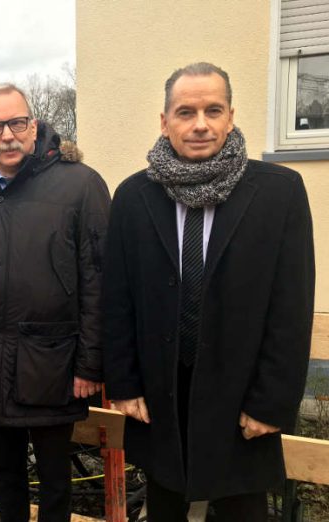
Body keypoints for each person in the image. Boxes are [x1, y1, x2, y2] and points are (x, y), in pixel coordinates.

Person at [102, 63, 315, 521]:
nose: (200, 123)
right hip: (162, 392)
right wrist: (123, 383)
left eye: (212, 110)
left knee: (243, 509)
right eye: (185, 112)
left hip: (242, 395)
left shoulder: (279, 193)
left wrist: (272, 401)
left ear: (231, 116)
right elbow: (116, 301)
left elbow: (291, 308)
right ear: (164, 121)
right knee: (163, 504)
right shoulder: (133, 198)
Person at [0, 83, 110, 521]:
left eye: (17, 123)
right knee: (4, 477)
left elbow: (99, 281)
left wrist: (89, 364)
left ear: (33, 125)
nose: (8, 135)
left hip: (52, 366)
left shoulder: (81, 186)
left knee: (56, 483)